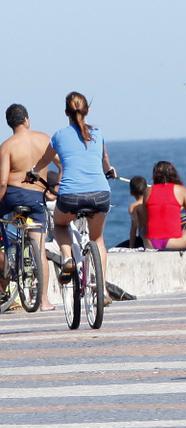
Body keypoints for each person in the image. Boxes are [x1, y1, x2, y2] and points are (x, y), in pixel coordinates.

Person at [35, 92, 115, 303]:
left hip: (70, 196)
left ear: (65, 113)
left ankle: (68, 257)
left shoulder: (59, 135)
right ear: (87, 110)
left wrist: (34, 171)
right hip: (100, 194)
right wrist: (110, 170)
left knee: (60, 225)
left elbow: (44, 160)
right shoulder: (98, 133)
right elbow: (105, 161)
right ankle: (102, 291)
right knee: (97, 239)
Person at [0, 104, 56, 311]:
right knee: (39, 246)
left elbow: (3, 182)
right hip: (36, 197)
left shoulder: (7, 146)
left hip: (13, 195)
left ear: (10, 124)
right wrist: (53, 189)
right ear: (27, 120)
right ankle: (44, 301)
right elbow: (61, 164)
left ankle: (7, 252)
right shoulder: (44, 139)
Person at [139, 161, 186, 250]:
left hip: (150, 243)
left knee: (143, 230)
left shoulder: (147, 191)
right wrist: (185, 230)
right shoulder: (181, 190)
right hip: (173, 243)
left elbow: (145, 220)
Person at [127, 176, 147, 248]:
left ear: (131, 192)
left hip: (143, 240)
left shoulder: (133, 207)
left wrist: (131, 247)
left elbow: (134, 228)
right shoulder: (150, 203)